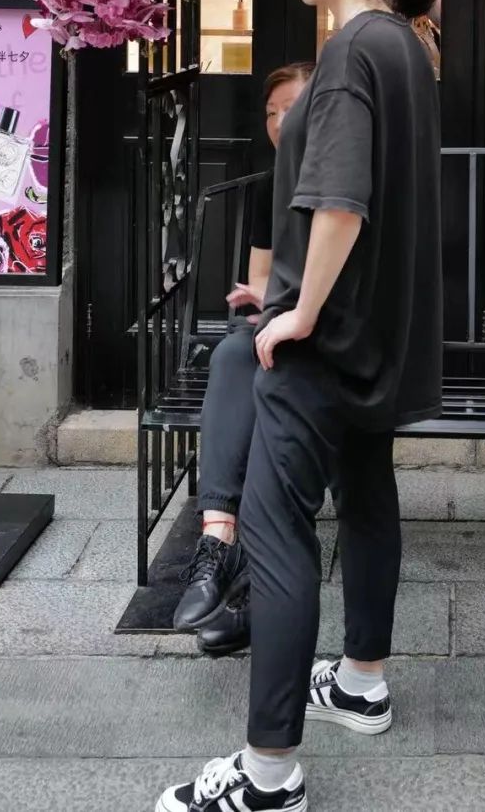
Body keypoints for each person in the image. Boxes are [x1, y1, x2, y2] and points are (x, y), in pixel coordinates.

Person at [157, 0, 442, 812]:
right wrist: (287, 295)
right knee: (367, 496)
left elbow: (341, 203)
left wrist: (298, 313)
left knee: (276, 534)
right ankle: (360, 683)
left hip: (326, 343)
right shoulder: (407, 48)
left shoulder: (354, 48)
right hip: (375, 337)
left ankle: (269, 774)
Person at [172, 62, 315, 654]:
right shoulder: (270, 184)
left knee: (269, 379)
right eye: (271, 111)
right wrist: (268, 303)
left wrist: (288, 306)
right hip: (279, 328)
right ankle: (219, 536)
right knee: (235, 355)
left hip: (336, 335)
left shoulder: (346, 177)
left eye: (292, 108)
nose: (279, 122)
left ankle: (255, 576)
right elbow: (259, 281)